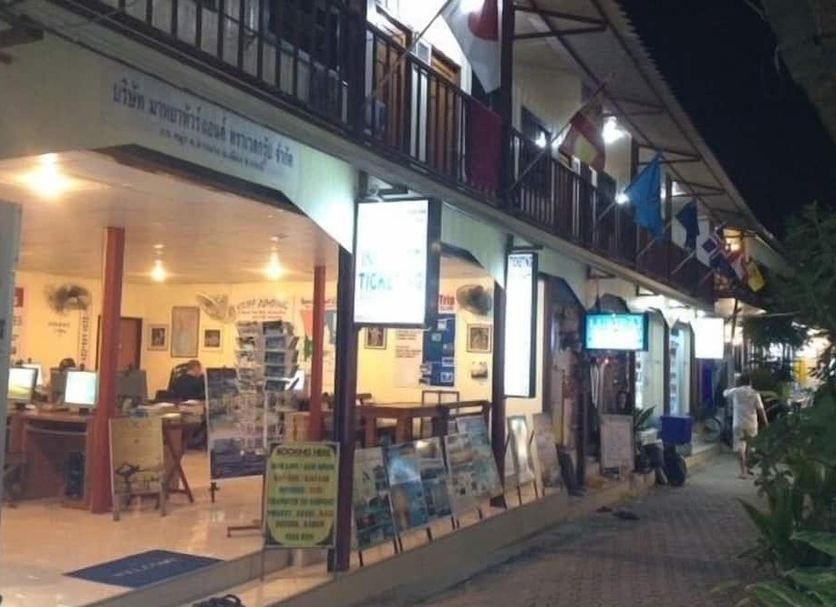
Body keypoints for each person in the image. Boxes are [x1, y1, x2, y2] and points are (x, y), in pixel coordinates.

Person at [724, 373, 768, 479]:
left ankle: (743, 471)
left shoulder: (735, 391)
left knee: (740, 447)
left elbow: (725, 393)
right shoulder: (755, 393)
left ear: (740, 382)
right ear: (750, 382)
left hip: (738, 423)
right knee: (750, 446)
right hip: (751, 424)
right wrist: (766, 423)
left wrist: (734, 386)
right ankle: (748, 468)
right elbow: (761, 410)